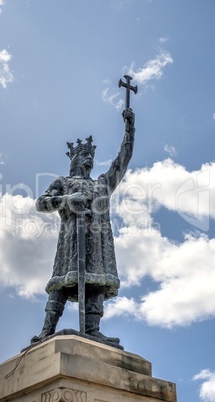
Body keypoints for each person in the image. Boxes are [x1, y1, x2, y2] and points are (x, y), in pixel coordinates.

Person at [31, 108, 135, 346]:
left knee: (98, 282)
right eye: (84, 155)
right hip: (71, 242)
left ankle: (92, 329)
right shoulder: (64, 182)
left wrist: (130, 129)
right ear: (75, 160)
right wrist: (67, 200)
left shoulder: (103, 184)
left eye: (91, 155)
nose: (88, 158)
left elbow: (123, 159)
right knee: (60, 282)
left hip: (98, 243)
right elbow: (41, 203)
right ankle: (47, 330)